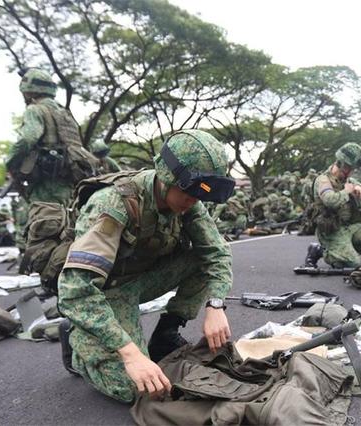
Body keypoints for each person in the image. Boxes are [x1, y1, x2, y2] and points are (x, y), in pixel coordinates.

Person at [57, 129, 235, 403]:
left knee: (201, 258)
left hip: (142, 280)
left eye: (201, 193)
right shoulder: (112, 205)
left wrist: (216, 304)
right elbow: (75, 290)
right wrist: (130, 354)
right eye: (189, 191)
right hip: (106, 294)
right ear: (167, 175)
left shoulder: (188, 203)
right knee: (136, 390)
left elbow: (216, 254)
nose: (194, 201)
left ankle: (165, 333)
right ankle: (80, 346)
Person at [5, 69, 95, 206]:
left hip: (46, 185)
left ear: (29, 90)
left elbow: (28, 138)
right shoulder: (64, 113)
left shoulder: (35, 109)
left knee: (44, 223)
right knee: (67, 222)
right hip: (70, 181)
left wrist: (10, 161)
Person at [303, 143, 361, 268]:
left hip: (349, 226)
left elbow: (358, 186)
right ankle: (321, 250)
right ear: (340, 164)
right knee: (352, 262)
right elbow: (330, 200)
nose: (350, 172)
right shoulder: (323, 180)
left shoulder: (346, 180)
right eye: (348, 168)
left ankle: (342, 249)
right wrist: (346, 191)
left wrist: (358, 187)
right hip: (332, 229)